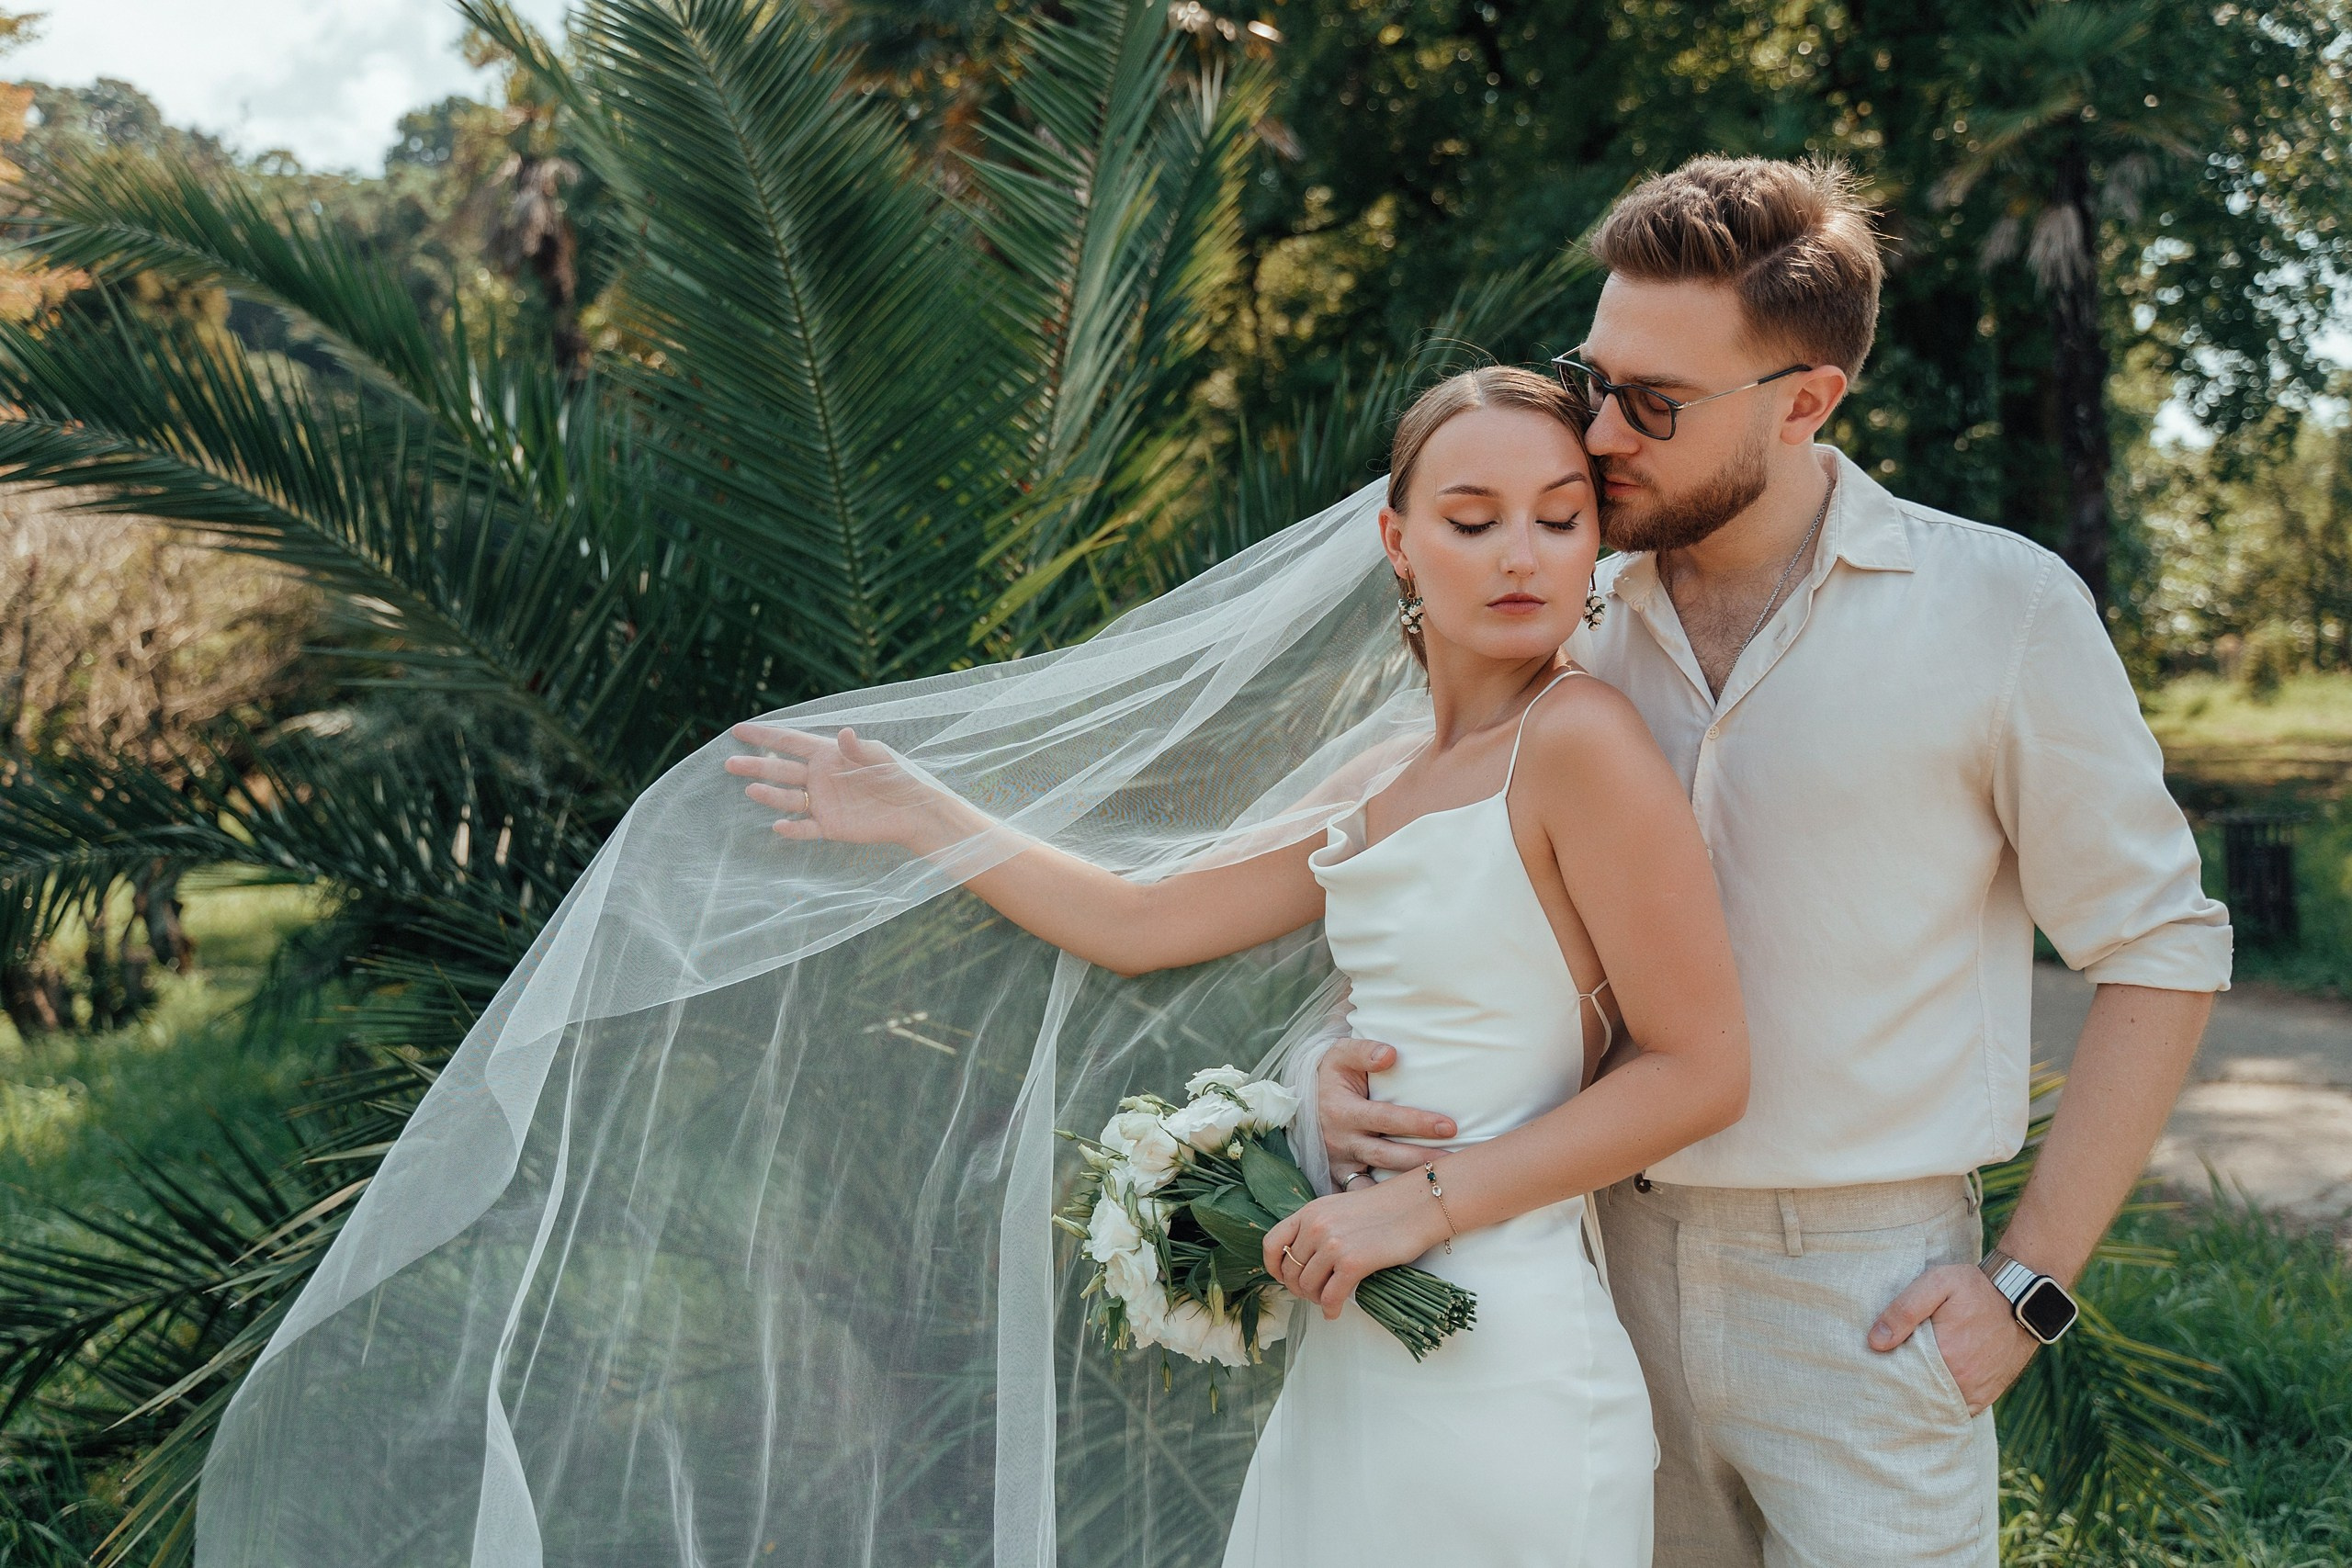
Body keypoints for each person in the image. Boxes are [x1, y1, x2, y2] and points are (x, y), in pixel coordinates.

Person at [1303, 156, 2232, 1567]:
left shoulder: (2003, 611)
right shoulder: (1555, 612)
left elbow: (2160, 949)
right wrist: (1340, 1061)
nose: (1599, 431)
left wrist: (2028, 1287)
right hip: (1575, 1275)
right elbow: (1397, 860)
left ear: (1805, 402)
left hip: (1866, 1300)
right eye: (1591, 376)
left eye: (1653, 404)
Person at [726, 367, 1749, 1565]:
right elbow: (1145, 919)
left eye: (1560, 515)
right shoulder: (1378, 774)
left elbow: (1700, 1069)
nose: (1520, 553)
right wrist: (920, 814)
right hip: (1358, 1333)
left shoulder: (1580, 741)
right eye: (1473, 520)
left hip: (1503, 1353)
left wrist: (1424, 1205)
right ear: (1399, 544)